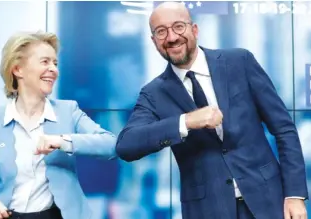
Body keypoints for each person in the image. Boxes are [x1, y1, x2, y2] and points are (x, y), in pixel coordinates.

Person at [116, 2, 308, 219]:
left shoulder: (240, 61)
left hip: (269, 200)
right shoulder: (153, 93)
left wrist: (294, 194)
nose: (171, 37)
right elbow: (126, 145)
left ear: (194, 30)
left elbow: (284, 129)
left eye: (179, 26)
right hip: (207, 211)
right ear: (154, 41)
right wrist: (186, 122)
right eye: (161, 31)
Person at [0, 31, 117, 219]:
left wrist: (63, 141)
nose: (53, 69)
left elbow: (111, 145)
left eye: (55, 63)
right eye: (45, 62)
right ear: (18, 70)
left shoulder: (69, 111)